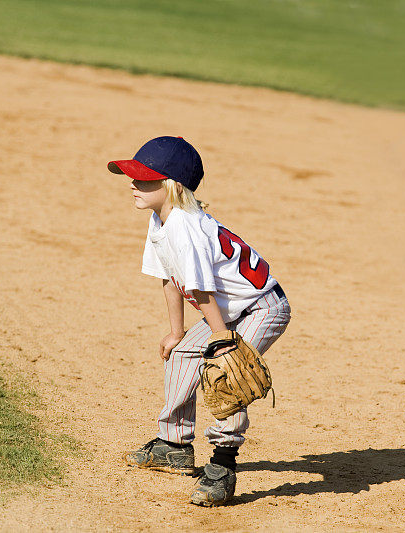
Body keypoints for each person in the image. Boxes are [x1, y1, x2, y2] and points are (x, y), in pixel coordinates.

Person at [107, 136, 291, 507]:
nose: (133, 184)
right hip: (225, 310)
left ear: (171, 186)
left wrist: (222, 342)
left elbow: (202, 290)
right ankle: (173, 445)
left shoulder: (185, 227)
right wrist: (177, 332)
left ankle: (223, 466)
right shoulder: (160, 221)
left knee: (226, 374)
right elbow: (168, 277)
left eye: (144, 179)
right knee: (181, 354)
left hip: (261, 306)